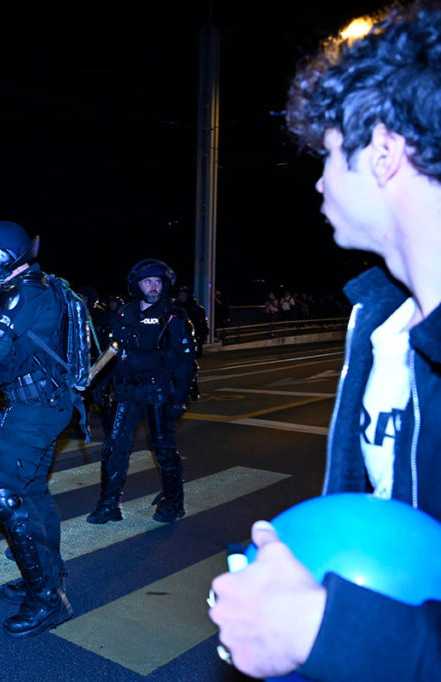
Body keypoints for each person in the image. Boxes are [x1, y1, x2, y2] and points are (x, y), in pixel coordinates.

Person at [209, 5, 441, 679]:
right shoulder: (382, 324)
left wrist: (323, 627)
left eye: (327, 154)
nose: (315, 180)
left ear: (383, 150)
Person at [0, 220, 76, 637]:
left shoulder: (21, 293)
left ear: (6, 257)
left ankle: (46, 599)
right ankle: (48, 575)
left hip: (30, 408)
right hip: (46, 402)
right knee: (34, 491)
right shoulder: (43, 286)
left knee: (5, 496)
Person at [87, 259, 196, 526]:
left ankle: (174, 502)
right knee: (114, 448)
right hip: (127, 391)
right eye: (148, 281)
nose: (153, 286)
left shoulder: (174, 316)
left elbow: (185, 362)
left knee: (163, 449)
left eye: (158, 281)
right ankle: (109, 504)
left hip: (159, 391)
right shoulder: (125, 314)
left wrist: (179, 399)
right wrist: (100, 386)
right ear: (137, 285)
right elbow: (114, 353)